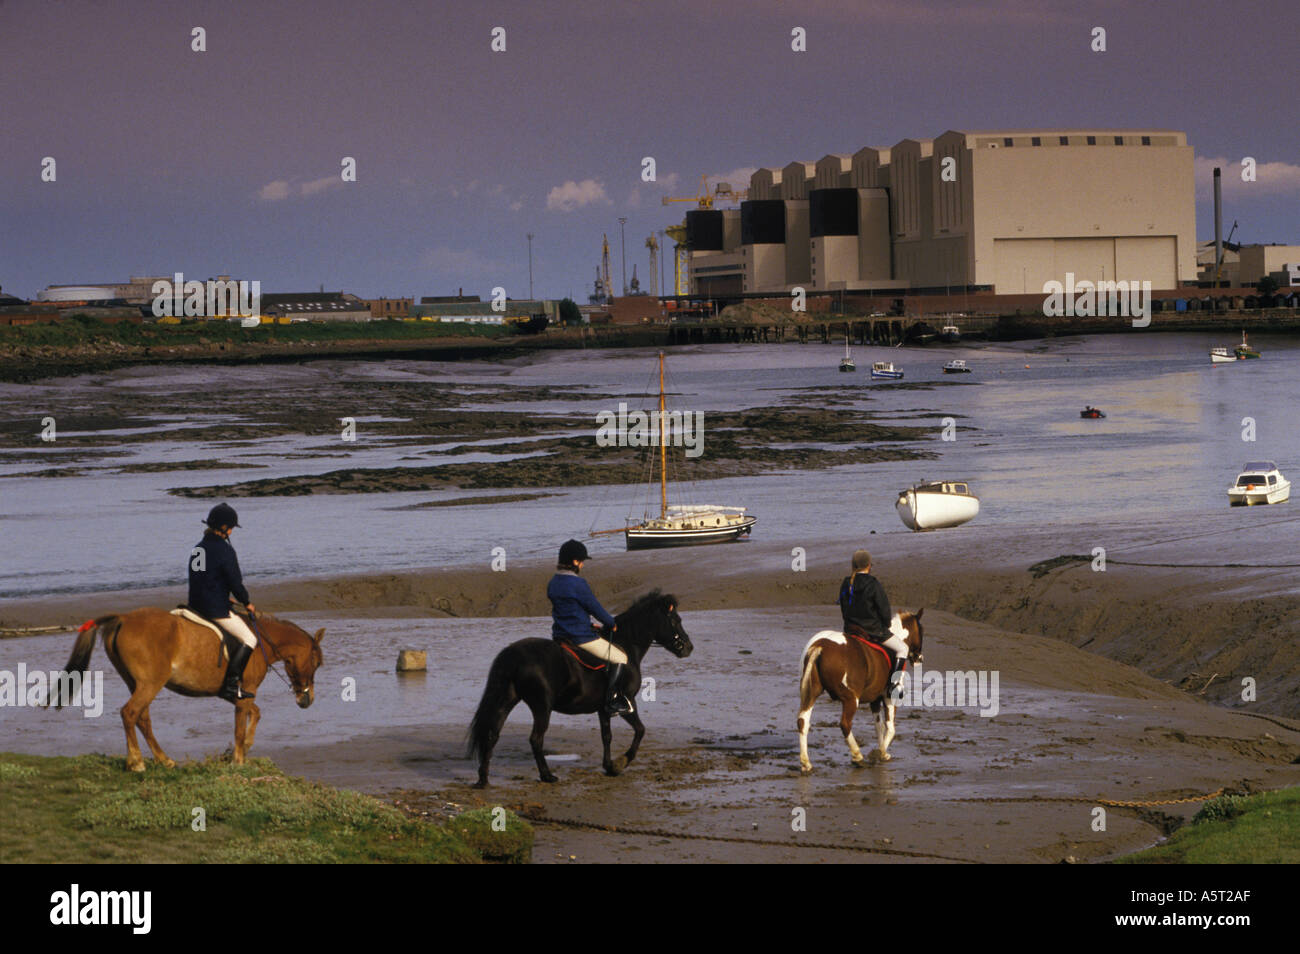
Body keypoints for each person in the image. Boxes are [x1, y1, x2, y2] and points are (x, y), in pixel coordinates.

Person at [547, 539, 633, 715]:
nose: (583, 565)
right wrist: (611, 623)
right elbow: (596, 609)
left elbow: (568, 611)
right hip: (580, 638)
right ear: (574, 562)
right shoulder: (579, 584)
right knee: (620, 658)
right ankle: (612, 701)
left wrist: (588, 624)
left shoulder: (553, 582)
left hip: (560, 636)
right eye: (581, 561)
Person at [188, 502, 258, 703]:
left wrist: (220, 594)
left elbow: (198, 578)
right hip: (214, 608)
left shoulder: (198, 549)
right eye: (231, 528)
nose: (232, 532)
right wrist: (247, 602)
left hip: (194, 605)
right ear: (225, 528)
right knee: (249, 639)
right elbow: (235, 582)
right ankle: (230, 685)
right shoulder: (225, 551)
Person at [838, 549, 907, 698]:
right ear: (869, 565)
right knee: (903, 648)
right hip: (872, 630)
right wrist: (885, 625)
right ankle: (895, 686)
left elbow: (843, 607)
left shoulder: (846, 583)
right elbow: (884, 610)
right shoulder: (873, 583)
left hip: (850, 629)